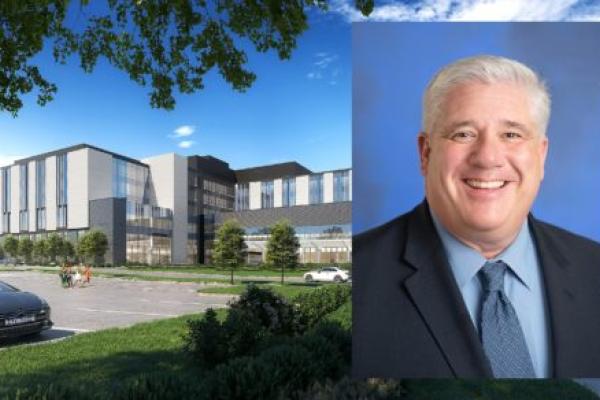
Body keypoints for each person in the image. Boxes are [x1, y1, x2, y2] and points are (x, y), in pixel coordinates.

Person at [353, 55, 600, 379]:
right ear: (425, 154)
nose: (487, 158)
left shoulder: (593, 269)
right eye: (463, 134)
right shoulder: (358, 277)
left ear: (541, 156)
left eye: (511, 134)